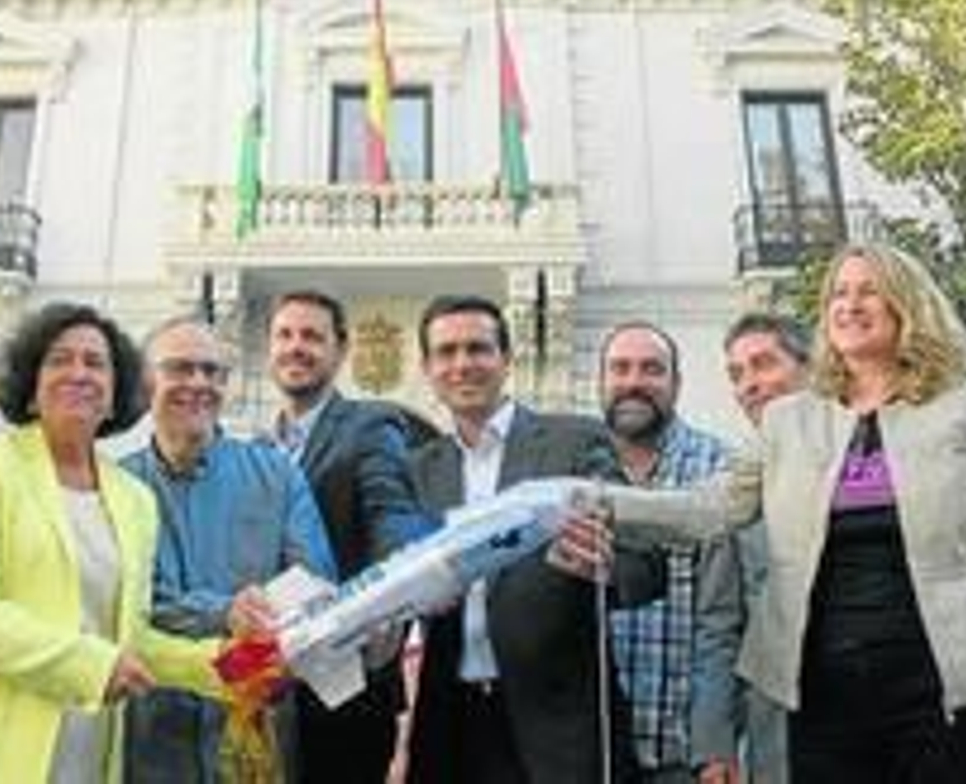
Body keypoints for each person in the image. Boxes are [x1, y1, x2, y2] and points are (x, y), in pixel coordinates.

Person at [728, 243, 966, 783]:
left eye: (868, 290)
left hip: (952, 698)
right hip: (824, 703)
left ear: (906, 304)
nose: (850, 304)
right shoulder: (788, 420)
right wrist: (589, 501)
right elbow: (710, 505)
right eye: (838, 294)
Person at [0, 303, 230, 783]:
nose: (79, 373)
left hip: (83, 757)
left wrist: (242, 667)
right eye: (59, 360)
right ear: (31, 386)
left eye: (95, 363)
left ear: (116, 394)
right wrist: (91, 664)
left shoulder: (135, 500)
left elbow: (132, 640)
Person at [405, 293, 662, 784]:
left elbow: (646, 562)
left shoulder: (576, 442)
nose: (463, 364)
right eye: (447, 352)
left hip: (558, 729)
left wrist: (602, 565)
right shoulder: (419, 469)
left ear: (506, 359)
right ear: (428, 368)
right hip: (450, 725)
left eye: (478, 349)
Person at [121, 316, 336, 783]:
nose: (199, 383)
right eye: (180, 368)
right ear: (146, 381)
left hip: (253, 741)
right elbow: (129, 607)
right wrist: (227, 615)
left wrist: (241, 673)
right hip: (148, 742)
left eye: (212, 371)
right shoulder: (117, 486)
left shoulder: (277, 476)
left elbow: (314, 592)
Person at [264, 290, 435, 783]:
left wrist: (392, 590)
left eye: (312, 336)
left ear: (340, 351)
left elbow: (392, 513)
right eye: (286, 335)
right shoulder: (255, 448)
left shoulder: (371, 425)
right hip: (268, 685)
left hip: (348, 683)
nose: (297, 347)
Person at [601, 321, 742, 784]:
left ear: (676, 384)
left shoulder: (720, 471)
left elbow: (721, 622)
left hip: (681, 750)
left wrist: (715, 744)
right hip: (592, 750)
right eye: (619, 369)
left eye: (651, 369)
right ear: (600, 382)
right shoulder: (574, 467)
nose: (633, 382)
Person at [721, 311, 810, 784]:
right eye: (737, 374)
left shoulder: (871, 460)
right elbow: (722, 626)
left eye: (763, 364)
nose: (749, 384)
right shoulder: (738, 483)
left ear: (809, 368)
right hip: (779, 737)